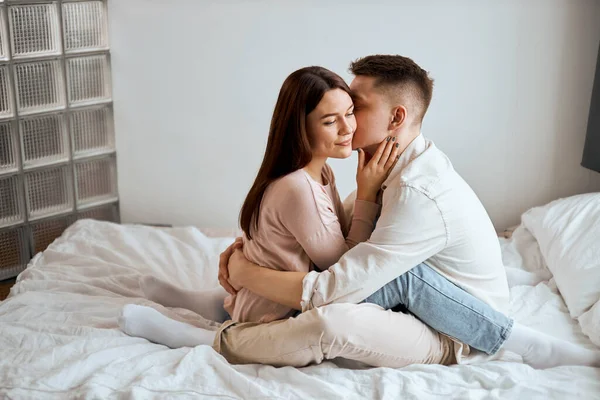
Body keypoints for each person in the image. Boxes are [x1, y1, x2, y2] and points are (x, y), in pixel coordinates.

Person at [120, 57, 600, 370]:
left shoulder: (417, 192)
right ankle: (221, 303)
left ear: (395, 118)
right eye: (338, 112)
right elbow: (335, 237)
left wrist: (246, 270)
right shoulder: (384, 163)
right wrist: (246, 258)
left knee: (330, 323)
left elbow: (332, 283)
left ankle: (217, 340)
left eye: (356, 108)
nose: (348, 122)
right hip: (404, 298)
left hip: (453, 329)